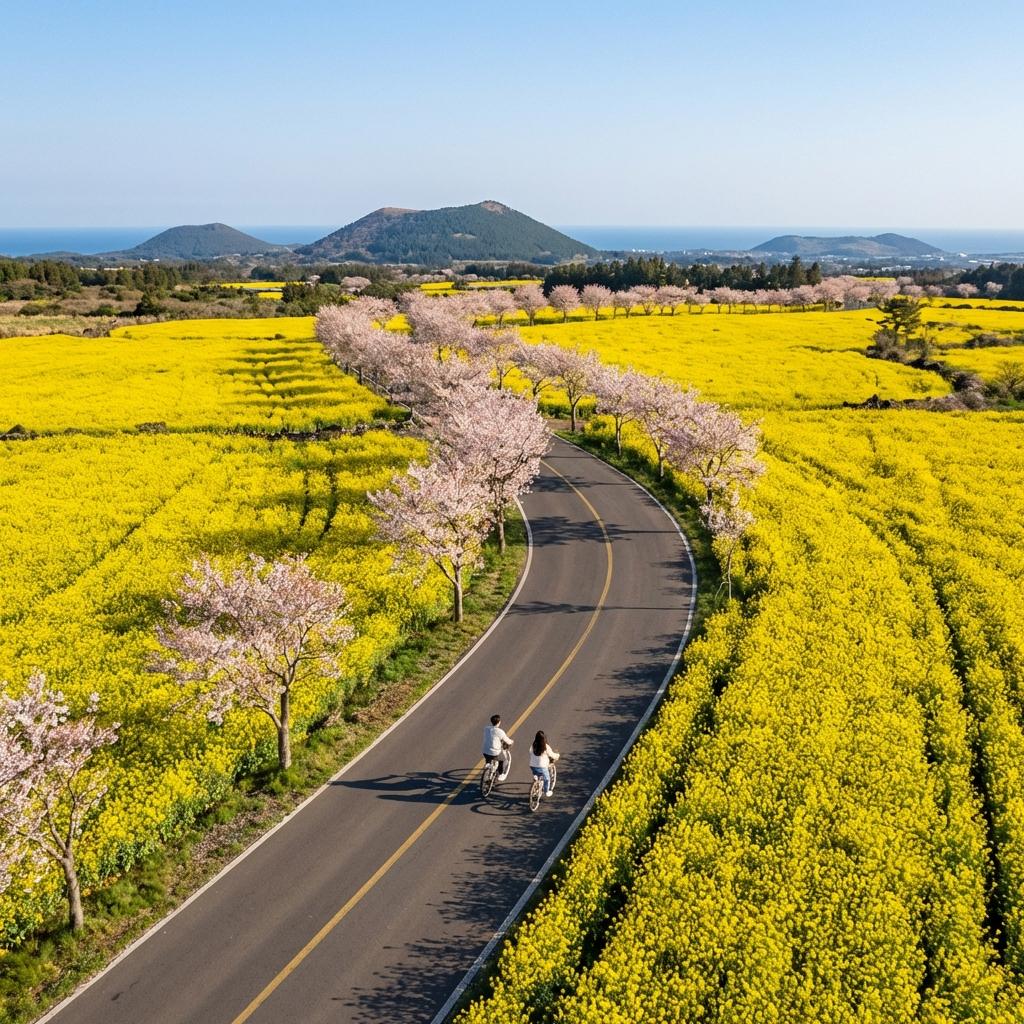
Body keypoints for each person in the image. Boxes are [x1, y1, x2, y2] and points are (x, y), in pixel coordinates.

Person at [482, 713, 513, 781]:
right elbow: (507, 741)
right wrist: (511, 742)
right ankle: (500, 774)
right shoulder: (500, 731)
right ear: (499, 722)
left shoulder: (486, 728)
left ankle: (487, 771)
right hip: (494, 752)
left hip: (485, 751)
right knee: (502, 760)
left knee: (488, 760)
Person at [529, 730, 559, 797]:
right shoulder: (546, 747)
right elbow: (552, 755)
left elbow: (530, 752)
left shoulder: (533, 745)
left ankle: (536, 778)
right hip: (542, 767)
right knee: (547, 779)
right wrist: (557, 755)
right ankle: (546, 791)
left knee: (537, 773)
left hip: (532, 766)